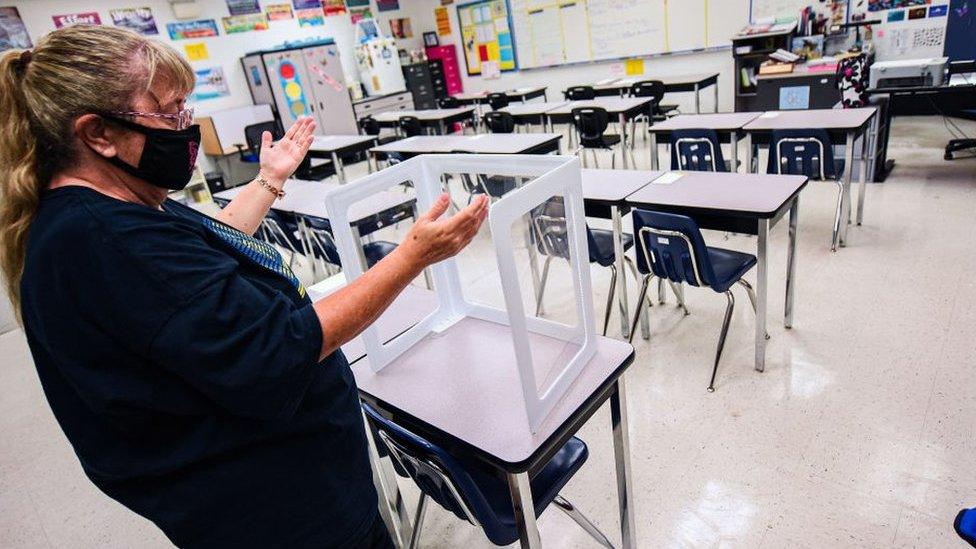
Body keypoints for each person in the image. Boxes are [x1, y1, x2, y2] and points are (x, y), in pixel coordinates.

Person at [0, 25, 488, 548]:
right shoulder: (105, 241)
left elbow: (200, 257)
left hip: (276, 493)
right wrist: (412, 257)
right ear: (99, 134)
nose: (185, 128)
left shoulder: (106, 216)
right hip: (283, 516)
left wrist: (270, 179)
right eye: (171, 112)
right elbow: (281, 350)